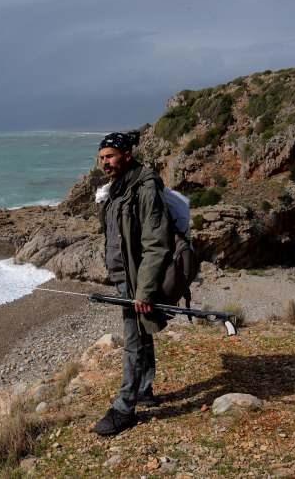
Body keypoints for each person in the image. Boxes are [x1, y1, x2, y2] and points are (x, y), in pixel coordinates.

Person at [92, 130, 174, 436]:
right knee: (141, 332)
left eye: (110, 156)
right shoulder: (117, 187)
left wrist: (145, 290)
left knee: (133, 341)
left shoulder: (145, 187)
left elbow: (156, 243)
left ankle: (124, 409)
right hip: (123, 277)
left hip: (138, 280)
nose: (105, 163)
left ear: (127, 155)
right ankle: (144, 388)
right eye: (101, 158)